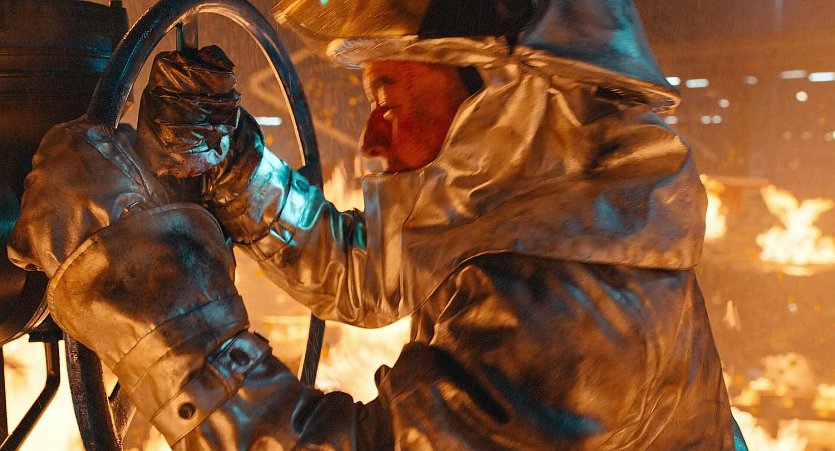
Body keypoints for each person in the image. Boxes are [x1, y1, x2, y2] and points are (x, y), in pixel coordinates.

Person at [9, 0, 747, 449]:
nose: (371, 141)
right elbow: (370, 276)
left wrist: (136, 277)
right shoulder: (548, 224)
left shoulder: (573, 308)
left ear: (509, 105)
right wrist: (231, 165)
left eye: (389, 102)